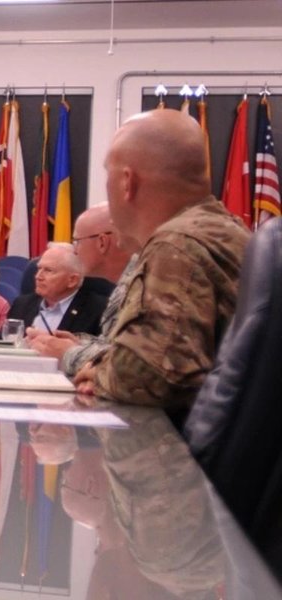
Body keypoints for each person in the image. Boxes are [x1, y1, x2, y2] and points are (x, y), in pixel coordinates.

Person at [75, 109, 250, 412]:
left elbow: (152, 376)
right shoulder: (215, 228)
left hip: (182, 455)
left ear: (127, 182)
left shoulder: (177, 246)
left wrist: (99, 371)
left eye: (108, 174)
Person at [26, 204, 136, 375]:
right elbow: (114, 346)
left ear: (102, 242)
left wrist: (68, 354)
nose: (74, 251)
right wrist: (81, 344)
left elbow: (135, 366)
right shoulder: (123, 286)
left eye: (77, 241)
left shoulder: (142, 285)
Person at [8, 242, 107, 337]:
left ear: (72, 280)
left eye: (48, 270)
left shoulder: (99, 310)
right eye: (39, 269)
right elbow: (5, 342)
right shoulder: (21, 305)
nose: (38, 276)